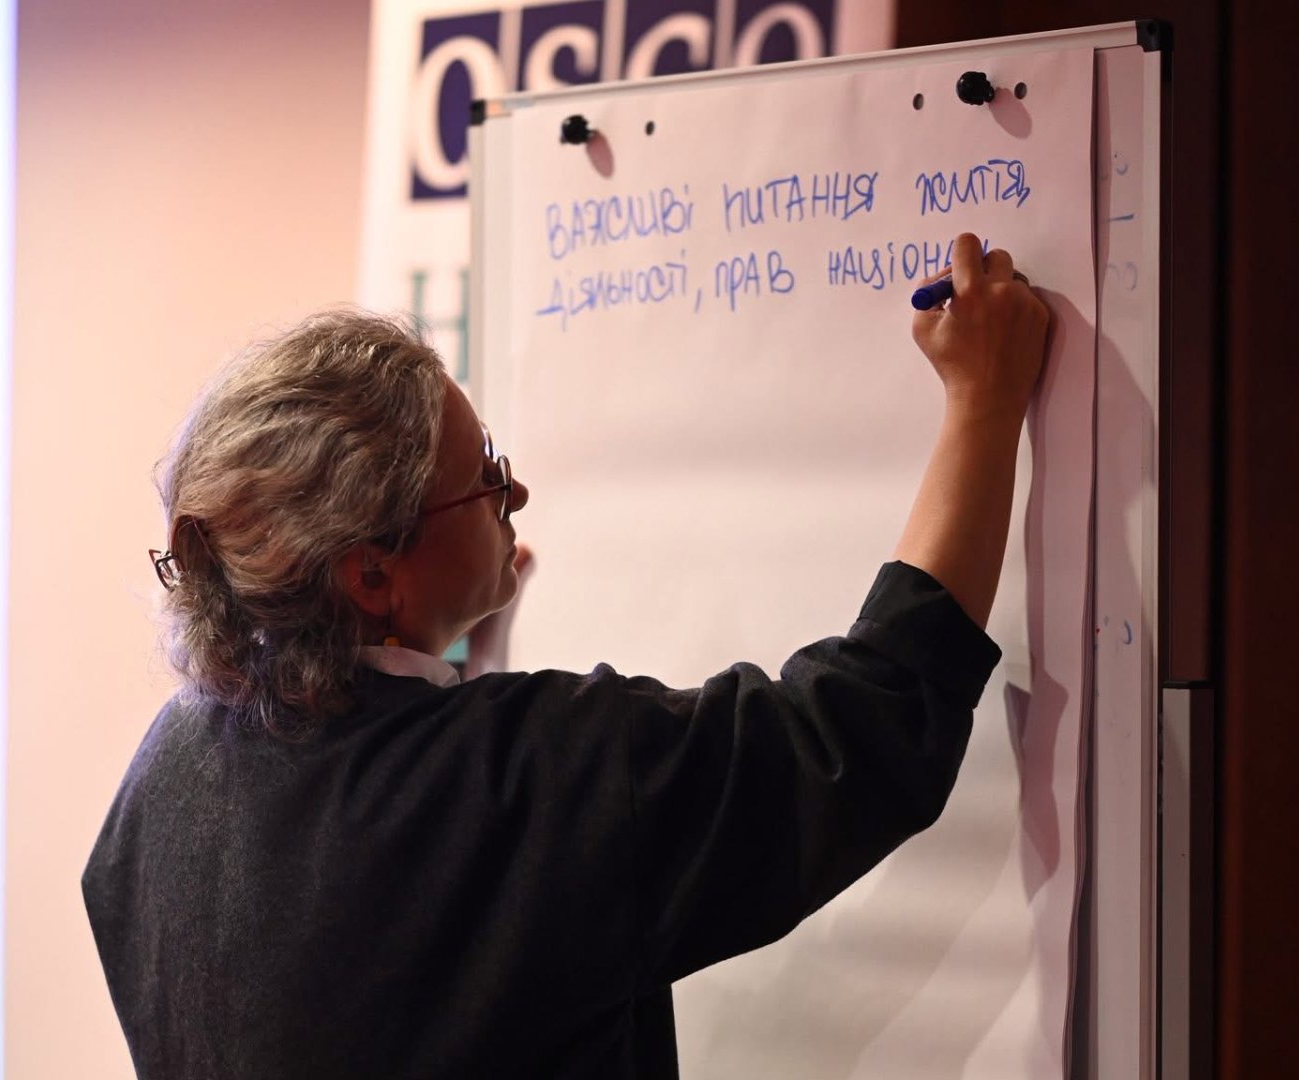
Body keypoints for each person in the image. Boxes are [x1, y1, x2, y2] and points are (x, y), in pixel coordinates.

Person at [82, 234, 1050, 1078]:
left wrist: (456, 668)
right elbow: (862, 731)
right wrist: (984, 402)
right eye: (484, 479)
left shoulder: (160, 784)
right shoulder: (545, 778)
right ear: (372, 575)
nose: (517, 495)